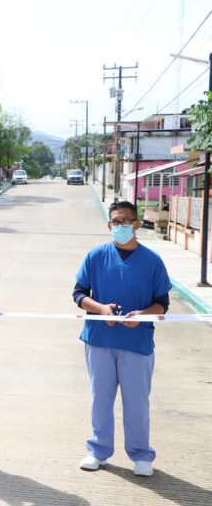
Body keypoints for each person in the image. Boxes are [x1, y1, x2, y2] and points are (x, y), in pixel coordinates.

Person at [73, 200, 171, 477]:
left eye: (126, 221)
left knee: (136, 401)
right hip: (99, 339)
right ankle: (98, 451)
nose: (120, 226)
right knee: (100, 398)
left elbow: (162, 303)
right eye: (115, 222)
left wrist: (142, 314)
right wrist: (102, 309)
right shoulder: (96, 256)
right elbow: (79, 294)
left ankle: (141, 454)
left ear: (137, 224)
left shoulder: (152, 261)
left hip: (136, 343)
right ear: (109, 226)